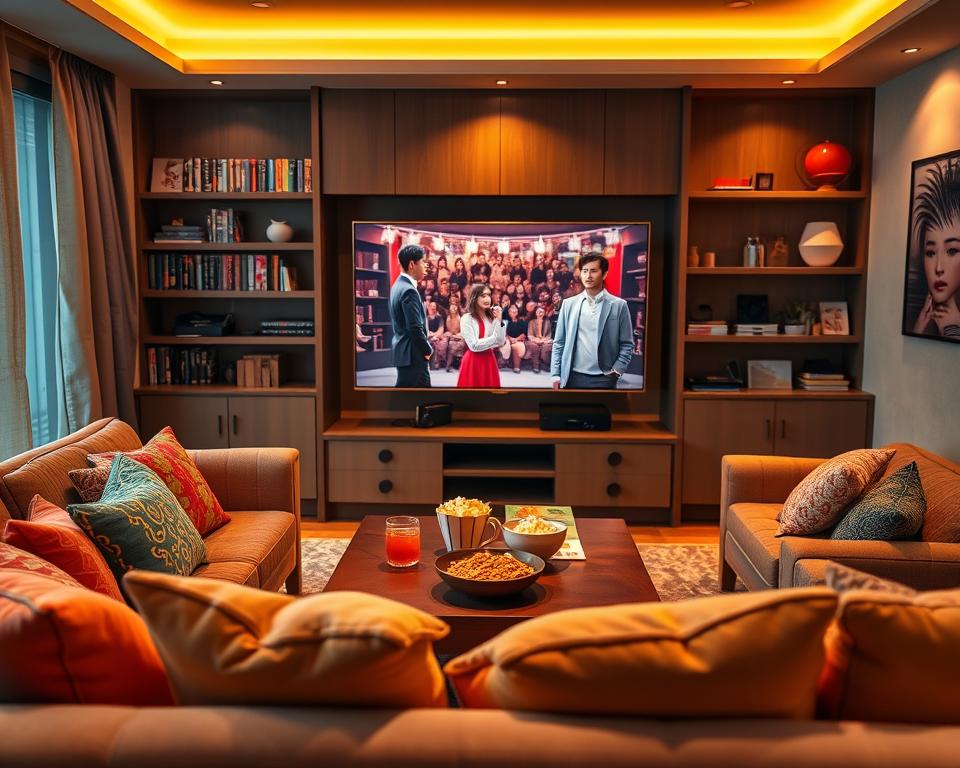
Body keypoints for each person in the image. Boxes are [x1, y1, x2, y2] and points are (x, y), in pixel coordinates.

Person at [550, 252, 633, 390]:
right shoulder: (568, 304)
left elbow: (627, 344)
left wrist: (617, 370)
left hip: (605, 377)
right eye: (585, 271)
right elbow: (559, 342)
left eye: (593, 271)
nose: (588, 276)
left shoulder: (619, 305)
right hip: (571, 376)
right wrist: (555, 374)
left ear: (604, 274)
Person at [912, 158, 960, 338]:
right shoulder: (925, 320)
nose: (938, 268)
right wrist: (919, 328)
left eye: (952, 251)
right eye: (931, 253)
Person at [389, 244, 432, 387]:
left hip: (406, 353)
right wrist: (427, 349)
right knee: (405, 397)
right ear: (412, 265)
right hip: (413, 354)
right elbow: (414, 327)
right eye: (423, 262)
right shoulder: (409, 290)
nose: (426, 266)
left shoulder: (397, 286)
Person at [458, 283, 505, 388]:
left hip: (489, 360)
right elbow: (474, 346)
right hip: (472, 362)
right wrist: (494, 339)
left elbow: (501, 341)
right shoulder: (466, 318)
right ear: (474, 298)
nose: (487, 298)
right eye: (483, 296)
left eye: (488, 295)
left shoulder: (491, 317)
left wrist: (499, 320)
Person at [525, 305, 553, 374]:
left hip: (544, 340)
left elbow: (549, 335)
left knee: (546, 347)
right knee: (534, 346)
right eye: (539, 312)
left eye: (542, 312)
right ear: (536, 313)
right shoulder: (531, 322)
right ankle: (536, 365)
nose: (541, 313)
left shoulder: (547, 322)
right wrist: (536, 340)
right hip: (534, 340)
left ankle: (546, 364)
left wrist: (543, 340)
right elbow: (530, 335)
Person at [500, 304, 527, 373]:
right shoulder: (507, 322)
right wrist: (510, 338)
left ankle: (516, 367)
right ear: (509, 312)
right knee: (505, 344)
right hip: (509, 340)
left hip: (519, 340)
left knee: (516, 346)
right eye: (511, 310)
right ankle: (502, 362)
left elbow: (523, 334)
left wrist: (516, 339)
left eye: (515, 309)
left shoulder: (522, 321)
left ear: (517, 311)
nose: (513, 311)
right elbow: (506, 334)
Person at [443, 293, 466, 371]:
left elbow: (463, 328)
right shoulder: (448, 317)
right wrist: (453, 335)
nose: (454, 308)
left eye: (455, 302)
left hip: (460, 334)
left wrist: (459, 334)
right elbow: (450, 330)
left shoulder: (461, 315)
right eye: (452, 301)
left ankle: (462, 364)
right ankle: (448, 365)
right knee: (451, 343)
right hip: (452, 335)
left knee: (461, 342)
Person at [425, 301, 446, 369]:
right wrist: (430, 335)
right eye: (431, 306)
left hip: (437, 337)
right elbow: (425, 330)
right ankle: (427, 363)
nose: (433, 307)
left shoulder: (439, 318)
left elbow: (441, 330)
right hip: (428, 337)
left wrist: (434, 335)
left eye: (434, 306)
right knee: (429, 343)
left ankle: (435, 364)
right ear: (429, 308)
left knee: (436, 342)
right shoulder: (426, 318)